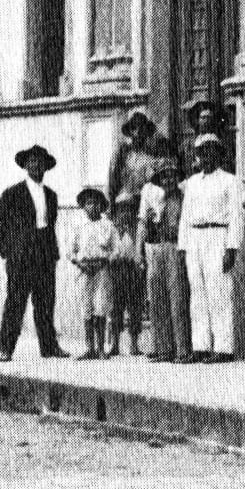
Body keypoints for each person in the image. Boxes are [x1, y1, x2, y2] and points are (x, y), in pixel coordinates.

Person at [0, 143, 65, 361]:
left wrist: (52, 254)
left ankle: (49, 347)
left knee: (45, 302)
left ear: (45, 167)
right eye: (32, 162)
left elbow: (49, 225)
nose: (36, 166)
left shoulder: (51, 195)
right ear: (25, 166)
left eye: (40, 162)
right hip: (21, 255)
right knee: (15, 302)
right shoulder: (12, 193)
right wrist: (7, 251)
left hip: (44, 253)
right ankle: (6, 347)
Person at [104, 110, 169, 357]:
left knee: (137, 280)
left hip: (141, 217)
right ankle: (114, 340)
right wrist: (110, 214)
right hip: (122, 215)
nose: (138, 132)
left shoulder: (152, 157)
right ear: (129, 130)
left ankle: (134, 339)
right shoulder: (122, 154)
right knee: (117, 278)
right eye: (134, 127)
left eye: (142, 127)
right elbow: (111, 183)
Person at [179, 132, 244, 363]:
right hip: (195, 238)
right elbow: (186, 215)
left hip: (218, 235)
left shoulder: (229, 180)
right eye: (201, 152)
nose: (206, 156)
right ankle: (201, 346)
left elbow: (236, 216)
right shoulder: (193, 182)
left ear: (218, 154)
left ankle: (224, 348)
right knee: (197, 293)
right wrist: (183, 246)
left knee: (219, 292)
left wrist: (231, 248)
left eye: (210, 151)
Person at [139, 154, 190, 364]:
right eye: (164, 177)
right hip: (156, 248)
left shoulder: (184, 198)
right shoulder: (156, 200)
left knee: (177, 298)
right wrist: (140, 249)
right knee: (157, 298)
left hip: (175, 248)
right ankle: (163, 348)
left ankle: (182, 349)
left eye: (171, 176)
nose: (168, 181)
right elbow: (145, 225)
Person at [70, 187, 123, 359]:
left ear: (102, 206)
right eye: (88, 203)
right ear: (83, 206)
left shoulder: (108, 225)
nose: (92, 207)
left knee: (100, 307)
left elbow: (117, 248)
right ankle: (89, 348)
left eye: (95, 203)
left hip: (102, 270)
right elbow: (71, 251)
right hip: (85, 270)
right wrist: (79, 262)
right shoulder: (79, 227)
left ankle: (101, 348)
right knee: (87, 308)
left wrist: (107, 259)